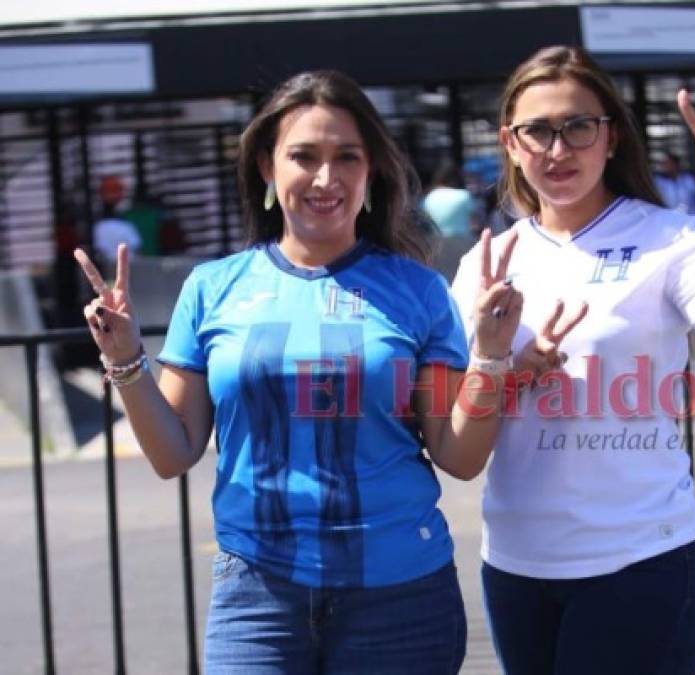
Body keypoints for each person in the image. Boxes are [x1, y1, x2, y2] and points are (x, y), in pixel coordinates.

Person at [75, 69, 525, 674]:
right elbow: (173, 452)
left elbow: (459, 455)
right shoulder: (213, 289)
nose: (325, 177)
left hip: (400, 597)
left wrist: (492, 356)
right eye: (303, 156)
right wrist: (125, 357)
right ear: (267, 166)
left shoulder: (418, 291)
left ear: (371, 173)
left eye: (346, 157)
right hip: (256, 598)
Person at [450, 46, 695, 675]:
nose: (557, 148)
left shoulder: (670, 238)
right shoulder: (486, 262)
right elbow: (463, 432)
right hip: (517, 566)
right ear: (510, 144)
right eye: (537, 131)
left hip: (640, 562)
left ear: (611, 136)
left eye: (578, 126)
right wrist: (512, 366)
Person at [422, 158, 480, 237]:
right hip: (462, 242)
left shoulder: (429, 197)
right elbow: (475, 222)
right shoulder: (464, 196)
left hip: (436, 242)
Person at [654, 150, 695, 215]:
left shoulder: (689, 180)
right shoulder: (658, 183)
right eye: (664, 164)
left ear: (676, 164)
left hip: (689, 218)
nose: (666, 166)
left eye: (668, 163)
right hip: (669, 220)